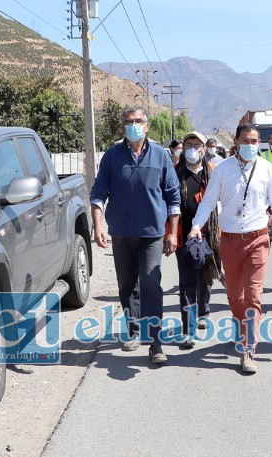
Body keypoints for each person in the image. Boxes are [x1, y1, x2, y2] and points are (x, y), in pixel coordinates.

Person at [188, 123, 272, 374]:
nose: (250, 145)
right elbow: (209, 201)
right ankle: (240, 323)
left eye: (255, 141)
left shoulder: (267, 170)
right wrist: (195, 226)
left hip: (258, 239)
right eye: (245, 140)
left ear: (260, 143)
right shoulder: (223, 170)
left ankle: (248, 349)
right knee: (236, 296)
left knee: (254, 296)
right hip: (231, 241)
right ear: (236, 141)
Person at [90, 106, 181, 364]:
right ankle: (132, 330)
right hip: (120, 235)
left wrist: (172, 233)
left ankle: (155, 342)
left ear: (147, 125)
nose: (134, 125)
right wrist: (98, 226)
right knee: (127, 285)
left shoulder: (161, 157)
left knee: (150, 282)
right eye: (129, 121)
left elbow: (173, 197)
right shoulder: (111, 157)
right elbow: (98, 194)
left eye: (138, 121)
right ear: (123, 127)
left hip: (152, 234)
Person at [173, 131, 223, 349]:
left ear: (205, 149)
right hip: (185, 236)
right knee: (187, 283)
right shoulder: (175, 173)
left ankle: (203, 311)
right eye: (189, 144)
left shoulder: (214, 173)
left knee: (207, 276)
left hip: (211, 234)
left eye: (197, 144)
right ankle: (188, 330)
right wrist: (170, 234)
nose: (193, 148)